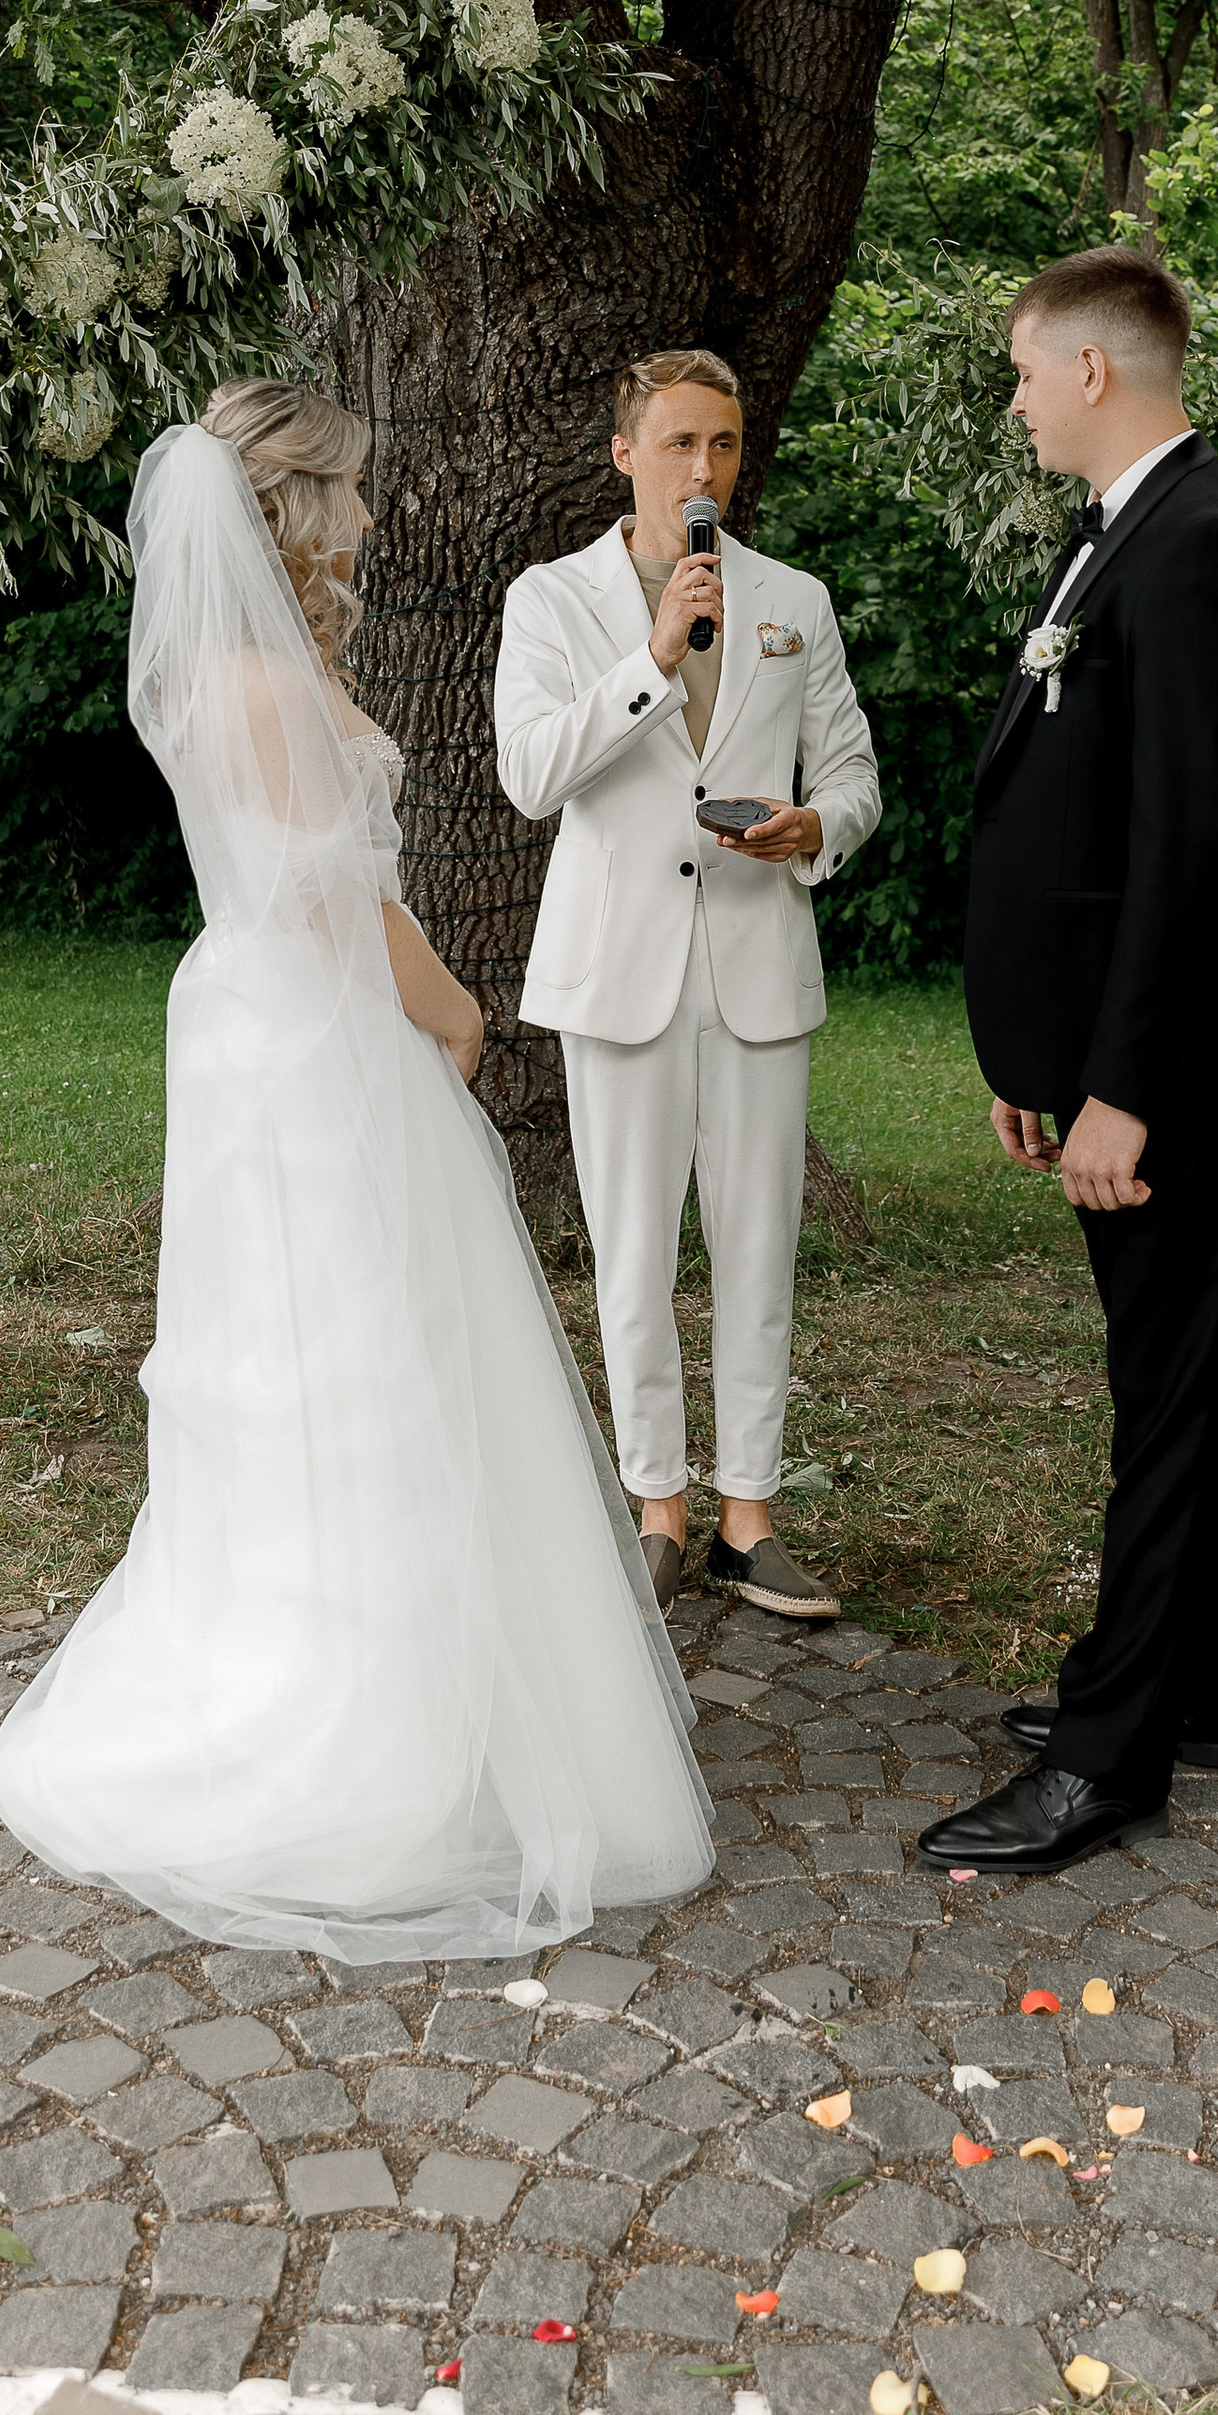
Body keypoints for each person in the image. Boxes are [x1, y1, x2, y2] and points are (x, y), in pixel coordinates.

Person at [0, 384, 714, 1961]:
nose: (372, 521)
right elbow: (327, 900)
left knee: (328, 1354)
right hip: (316, 1038)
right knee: (352, 1359)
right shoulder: (261, 684)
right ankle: (359, 1728)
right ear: (295, 506)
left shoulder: (243, 666)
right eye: (354, 495)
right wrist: (454, 1015)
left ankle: (399, 1683)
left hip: (263, 1026)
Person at [923, 251, 1218, 1877]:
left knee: (1165, 1403)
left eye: (1026, 368)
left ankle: (1110, 1757)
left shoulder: (1205, 548)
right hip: (1137, 1058)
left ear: (1096, 371)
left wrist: (1127, 1088)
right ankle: (1204, 1691)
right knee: (1190, 1387)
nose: (1017, 396)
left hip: (1194, 1078)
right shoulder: (1137, 537)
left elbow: (1202, 851)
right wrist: (1049, 1050)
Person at [495, 347, 881, 1623]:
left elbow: (856, 775)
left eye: (720, 443)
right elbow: (534, 775)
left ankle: (749, 1516)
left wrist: (813, 828)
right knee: (633, 1254)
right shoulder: (552, 600)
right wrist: (654, 655)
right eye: (676, 444)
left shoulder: (795, 600)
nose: (703, 468)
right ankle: (655, 1503)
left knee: (760, 1246)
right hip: (621, 973)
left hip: (759, 960)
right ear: (624, 454)